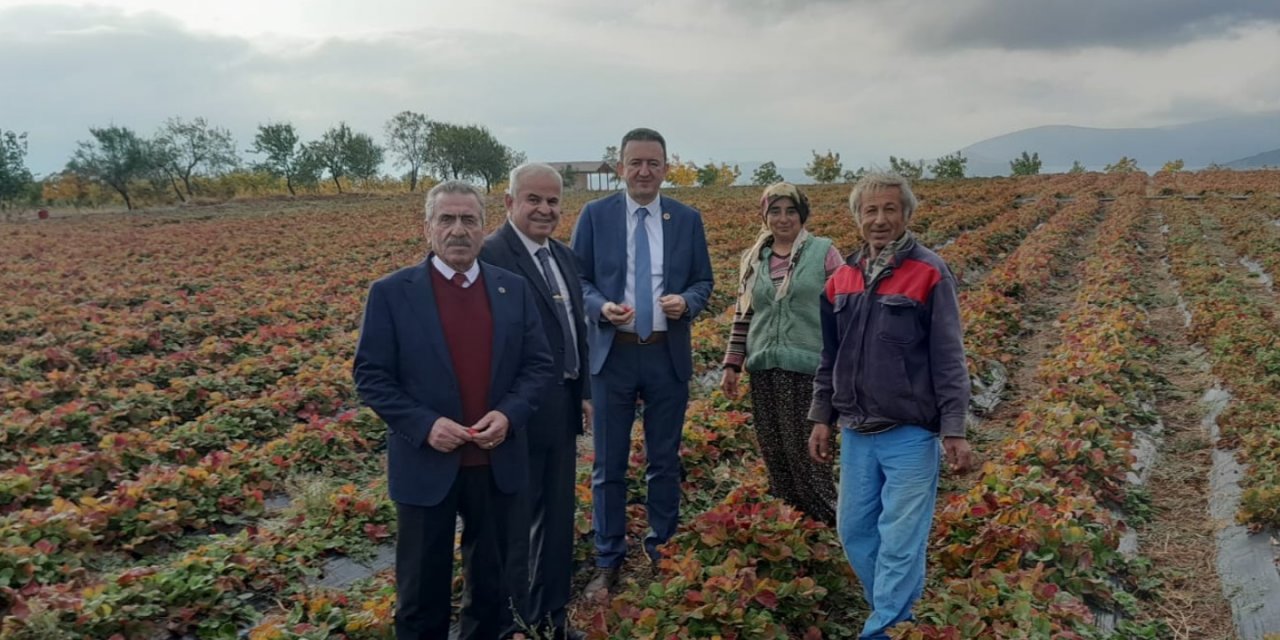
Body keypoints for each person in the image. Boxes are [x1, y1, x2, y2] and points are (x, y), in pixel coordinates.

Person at [353, 180, 554, 640]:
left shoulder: (513, 289)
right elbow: (371, 376)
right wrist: (424, 426)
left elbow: (538, 366)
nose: (458, 230)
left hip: (495, 462)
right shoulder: (391, 293)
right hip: (428, 464)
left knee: (493, 590)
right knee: (421, 595)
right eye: (447, 219)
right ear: (428, 228)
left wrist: (508, 415)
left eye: (469, 219)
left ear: (484, 228)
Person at [806, 172, 974, 640]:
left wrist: (953, 428)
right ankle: (894, 611)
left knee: (901, 540)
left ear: (907, 215)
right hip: (857, 432)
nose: (879, 219)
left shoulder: (929, 271)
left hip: (910, 432)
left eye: (889, 210)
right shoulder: (842, 278)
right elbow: (830, 356)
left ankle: (883, 629)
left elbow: (948, 356)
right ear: (857, 217)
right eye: (870, 211)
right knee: (856, 533)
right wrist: (822, 416)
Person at [571, 127, 714, 595]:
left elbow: (703, 282)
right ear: (620, 167)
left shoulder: (686, 219)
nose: (645, 171)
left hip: (664, 356)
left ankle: (663, 551)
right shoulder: (595, 216)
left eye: (654, 163)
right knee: (608, 464)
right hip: (613, 356)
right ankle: (608, 559)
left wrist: (686, 303)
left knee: (664, 460)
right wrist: (600, 308)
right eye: (636, 162)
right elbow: (580, 281)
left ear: (666, 168)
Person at [480, 163, 591, 640]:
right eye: (533, 200)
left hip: (562, 404)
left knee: (558, 517)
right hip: (516, 412)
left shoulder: (562, 256)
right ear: (509, 203)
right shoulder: (491, 255)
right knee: (515, 520)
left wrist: (583, 389)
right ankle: (515, 622)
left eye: (552, 202)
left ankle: (553, 616)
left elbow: (575, 329)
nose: (544, 210)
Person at [720, 182, 841, 526]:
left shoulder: (824, 252)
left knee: (808, 453)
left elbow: (845, 309)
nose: (783, 218)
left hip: (809, 369)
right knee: (775, 451)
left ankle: (829, 521)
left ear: (802, 214)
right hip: (764, 368)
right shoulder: (755, 257)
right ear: (764, 215)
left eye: (791, 211)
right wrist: (733, 363)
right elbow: (743, 313)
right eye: (775, 211)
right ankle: (793, 523)